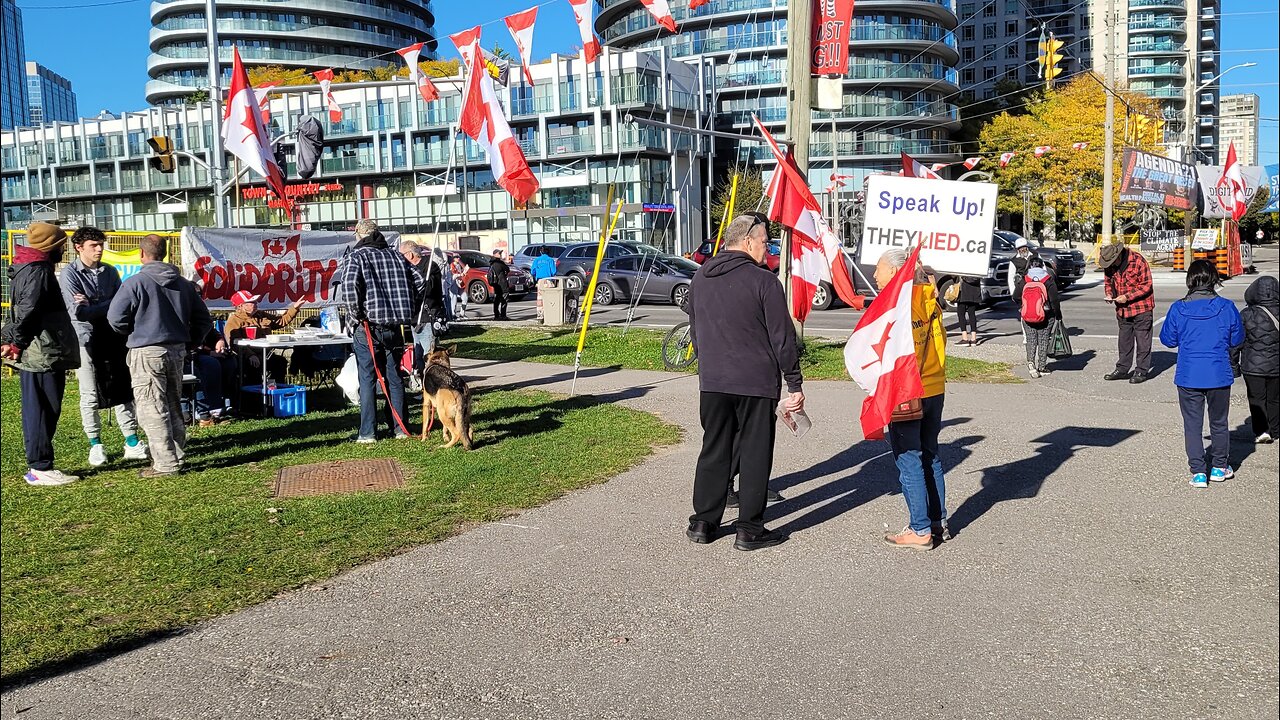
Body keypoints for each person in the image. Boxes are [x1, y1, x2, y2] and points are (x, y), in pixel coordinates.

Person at [685, 214, 802, 552]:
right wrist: (794, 382)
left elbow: (696, 329)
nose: (768, 249)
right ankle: (749, 529)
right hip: (755, 382)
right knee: (753, 453)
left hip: (714, 381)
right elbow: (782, 338)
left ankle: (703, 522)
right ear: (748, 241)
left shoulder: (700, 278)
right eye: (765, 242)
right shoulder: (764, 281)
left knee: (714, 449)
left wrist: (709, 365)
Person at [107, 233, 213, 478]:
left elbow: (115, 318)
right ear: (164, 254)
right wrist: (190, 342)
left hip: (146, 350)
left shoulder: (135, 283)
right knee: (173, 403)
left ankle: (166, 464)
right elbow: (203, 320)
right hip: (177, 349)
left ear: (141, 254)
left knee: (151, 406)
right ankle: (176, 453)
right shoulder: (184, 285)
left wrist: (131, 331)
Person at [877, 249, 949, 550]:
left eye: (878, 269)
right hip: (934, 386)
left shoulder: (899, 304)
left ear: (895, 272)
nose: (874, 276)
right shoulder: (928, 296)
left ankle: (919, 529)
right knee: (930, 454)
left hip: (909, 391)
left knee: (909, 460)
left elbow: (892, 352)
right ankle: (937, 523)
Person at [1, 223, 82, 486]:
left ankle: (40, 464)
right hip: (42, 353)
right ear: (51, 247)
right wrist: (14, 342)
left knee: (44, 407)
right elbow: (27, 311)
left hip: (41, 351)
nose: (64, 250)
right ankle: (40, 467)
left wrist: (8, 339)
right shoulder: (38, 272)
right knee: (42, 409)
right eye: (62, 245)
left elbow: (20, 310)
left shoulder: (29, 268)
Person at [60, 226, 149, 466]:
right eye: (94, 245)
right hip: (85, 339)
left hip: (112, 337)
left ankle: (131, 440)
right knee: (89, 393)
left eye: (101, 245)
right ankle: (95, 443)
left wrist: (98, 304)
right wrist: (106, 304)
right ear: (79, 248)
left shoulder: (110, 271)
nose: (99, 250)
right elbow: (78, 313)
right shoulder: (69, 274)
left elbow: (121, 305)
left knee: (121, 389)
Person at [1158, 259, 1244, 489]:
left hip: (1189, 374)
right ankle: (1218, 467)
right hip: (1218, 372)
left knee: (1192, 425)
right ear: (1214, 280)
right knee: (1219, 423)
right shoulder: (1226, 307)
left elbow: (1167, 340)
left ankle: (1198, 472)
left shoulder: (1178, 307)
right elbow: (1237, 339)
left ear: (1190, 280)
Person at [337, 219, 424, 443]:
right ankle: (400, 429)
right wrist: (407, 307)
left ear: (358, 234)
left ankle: (368, 433)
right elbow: (419, 281)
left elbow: (348, 289)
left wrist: (356, 316)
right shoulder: (396, 256)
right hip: (395, 326)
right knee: (395, 377)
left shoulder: (356, 256)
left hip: (368, 326)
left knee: (367, 378)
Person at [1098, 242, 1154, 384]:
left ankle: (1141, 370)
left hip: (1141, 308)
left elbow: (1146, 285)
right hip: (1122, 310)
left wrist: (1127, 297)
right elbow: (1108, 281)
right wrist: (1109, 294)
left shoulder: (1138, 260)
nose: (1110, 265)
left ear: (1118, 256)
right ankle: (1122, 368)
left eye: (1112, 262)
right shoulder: (1109, 264)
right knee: (1124, 341)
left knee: (1143, 341)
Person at [222, 290, 303, 383]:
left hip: (266, 355)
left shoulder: (261, 315)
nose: (255, 304)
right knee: (253, 367)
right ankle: (257, 394)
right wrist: (250, 355)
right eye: (251, 302)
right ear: (240, 306)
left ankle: (275, 390)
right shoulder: (234, 321)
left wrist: (295, 308)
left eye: (255, 302)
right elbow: (234, 343)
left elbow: (280, 321)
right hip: (246, 358)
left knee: (280, 362)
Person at [1239, 275, 1279, 444]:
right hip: (1277, 364)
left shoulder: (1247, 314)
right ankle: (1276, 429)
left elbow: (1237, 342)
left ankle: (1262, 430)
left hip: (1253, 365)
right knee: (1275, 398)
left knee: (1257, 399)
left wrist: (1233, 364)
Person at [398, 241, 445, 366]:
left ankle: (433, 380)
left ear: (410, 255)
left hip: (428, 317)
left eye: (401, 254)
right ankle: (420, 377)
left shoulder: (430, 266)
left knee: (429, 355)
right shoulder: (408, 269)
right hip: (415, 318)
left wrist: (421, 280)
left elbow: (430, 289)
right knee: (418, 355)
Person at [1020, 257, 1062, 378]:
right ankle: (1042, 366)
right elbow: (1054, 299)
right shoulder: (1048, 279)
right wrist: (1058, 314)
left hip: (1027, 314)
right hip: (1046, 315)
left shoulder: (1025, 279)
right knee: (1043, 339)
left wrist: (1025, 304)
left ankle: (1030, 362)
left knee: (1031, 338)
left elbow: (1016, 295)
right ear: (1042, 266)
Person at [954, 275, 983, 346]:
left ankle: (965, 338)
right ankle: (974, 338)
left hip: (963, 290)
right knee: (972, 314)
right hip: (974, 290)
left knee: (961, 313)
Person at [487, 249, 511, 320]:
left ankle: (496, 315)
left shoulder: (492, 263)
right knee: (504, 300)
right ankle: (503, 315)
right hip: (502, 284)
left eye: (500, 253)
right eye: (499, 253)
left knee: (497, 300)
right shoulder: (499, 263)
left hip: (496, 284)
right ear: (494, 254)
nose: (500, 254)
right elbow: (507, 269)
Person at [449, 254, 468, 320]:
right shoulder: (451, 265)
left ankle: (462, 314)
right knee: (454, 299)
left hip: (460, 283)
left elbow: (461, 273)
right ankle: (453, 314)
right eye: (457, 257)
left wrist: (464, 271)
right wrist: (460, 274)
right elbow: (453, 276)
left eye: (459, 257)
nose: (458, 258)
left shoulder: (459, 265)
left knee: (465, 297)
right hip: (453, 284)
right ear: (454, 258)